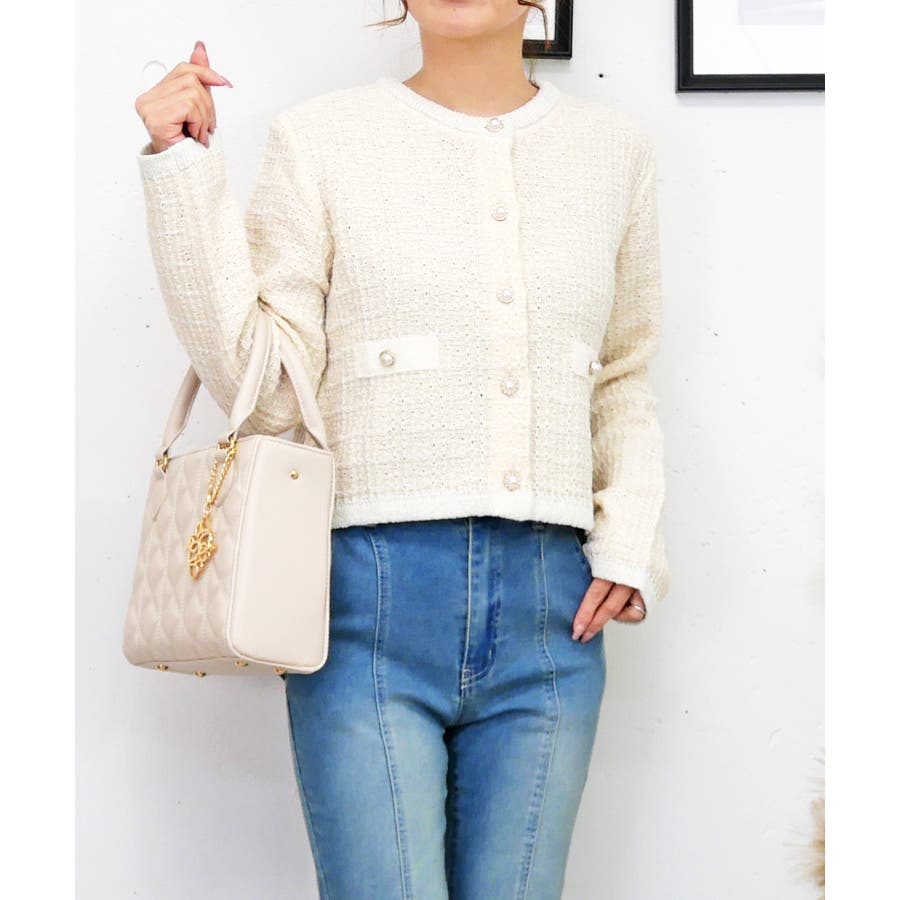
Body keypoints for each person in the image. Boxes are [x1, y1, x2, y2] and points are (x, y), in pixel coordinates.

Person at [133, 1, 670, 896]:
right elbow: (268, 393)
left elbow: (622, 368)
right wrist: (182, 170)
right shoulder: (319, 140)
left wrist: (632, 537)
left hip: (555, 610)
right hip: (368, 603)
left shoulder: (616, 152)